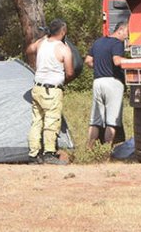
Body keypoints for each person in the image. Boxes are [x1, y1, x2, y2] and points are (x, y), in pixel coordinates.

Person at [26, 19, 75, 165]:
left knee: (36, 122)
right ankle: (49, 153)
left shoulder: (41, 43)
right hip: (51, 90)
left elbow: (29, 50)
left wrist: (42, 39)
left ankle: (33, 155)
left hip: (37, 88)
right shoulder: (63, 49)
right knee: (51, 121)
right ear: (63, 31)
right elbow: (70, 72)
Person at [85, 21, 129, 148]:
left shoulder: (98, 42)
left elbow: (88, 61)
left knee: (95, 120)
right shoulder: (117, 43)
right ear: (120, 29)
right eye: (127, 33)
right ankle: (106, 150)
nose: (127, 37)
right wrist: (133, 62)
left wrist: (99, 66)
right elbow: (117, 61)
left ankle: (90, 148)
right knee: (112, 121)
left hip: (98, 81)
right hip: (113, 82)